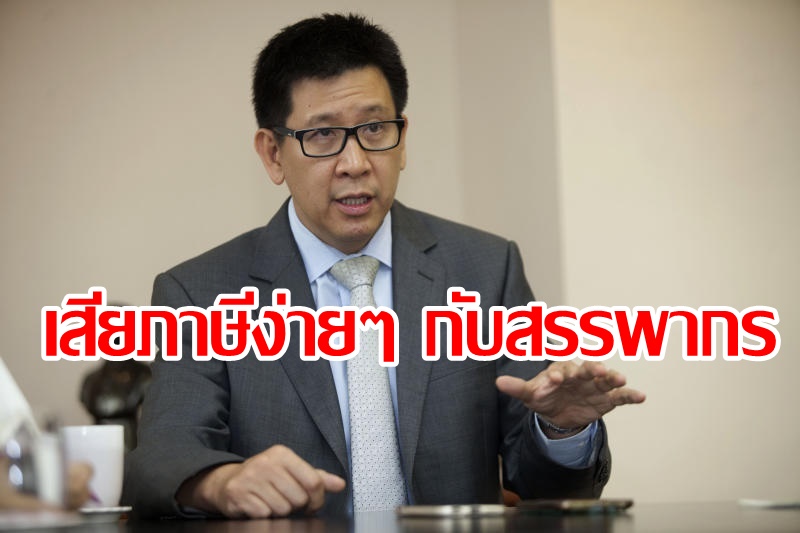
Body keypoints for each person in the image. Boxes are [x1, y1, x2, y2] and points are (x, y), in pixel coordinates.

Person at [123, 13, 645, 519]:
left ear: (403, 137)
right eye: (322, 136)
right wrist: (221, 482)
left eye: (374, 128)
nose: (355, 163)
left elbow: (551, 490)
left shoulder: (485, 271)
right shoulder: (200, 294)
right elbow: (162, 458)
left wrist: (561, 431)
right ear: (273, 154)